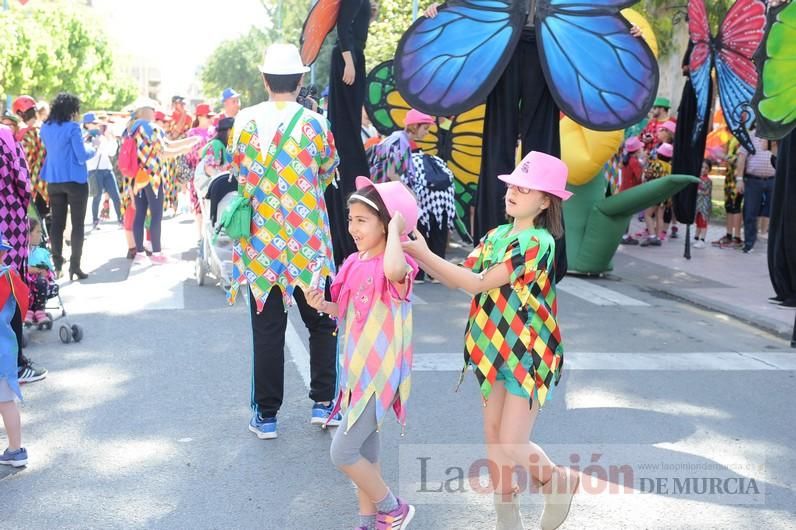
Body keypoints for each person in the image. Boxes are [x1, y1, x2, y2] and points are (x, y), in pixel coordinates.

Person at [402, 151, 578, 530]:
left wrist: (424, 252)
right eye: (512, 184)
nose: (513, 191)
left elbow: (480, 283)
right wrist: (416, 254)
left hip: (528, 351)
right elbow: (458, 278)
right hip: (490, 347)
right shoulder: (497, 235)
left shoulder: (537, 242)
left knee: (513, 442)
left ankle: (556, 481)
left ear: (545, 200)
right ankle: (506, 519)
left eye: (524, 187)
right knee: (495, 436)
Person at [228, 43, 340, 440]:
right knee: (322, 319)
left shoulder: (243, 121)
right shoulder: (316, 124)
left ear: (264, 79)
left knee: (268, 327)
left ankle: (267, 415)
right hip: (308, 238)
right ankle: (325, 403)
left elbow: (237, 173)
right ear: (300, 79)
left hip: (262, 240)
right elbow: (328, 171)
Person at [306, 177, 419, 530]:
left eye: (362, 220)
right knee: (367, 452)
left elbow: (395, 271)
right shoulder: (354, 261)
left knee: (342, 452)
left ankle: (393, 508)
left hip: (380, 376)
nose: (352, 227)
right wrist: (322, 304)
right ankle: (369, 521)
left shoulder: (395, 265)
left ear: (387, 223)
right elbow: (347, 309)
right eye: (350, 218)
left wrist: (397, 232)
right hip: (355, 373)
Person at [326, 0, 375, 266]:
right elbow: (342, 27)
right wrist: (349, 61)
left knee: (348, 129)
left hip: (352, 55)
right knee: (346, 131)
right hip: (349, 56)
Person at [126, 99, 199, 264]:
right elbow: (164, 151)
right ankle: (157, 253)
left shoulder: (132, 129)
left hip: (139, 178)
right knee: (156, 215)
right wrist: (186, 149)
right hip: (154, 178)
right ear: (148, 112)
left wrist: (188, 142)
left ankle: (140, 253)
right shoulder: (153, 128)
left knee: (140, 215)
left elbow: (167, 145)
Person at [0, 126, 46, 385]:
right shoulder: (5, 137)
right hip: (8, 222)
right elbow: (22, 182)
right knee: (11, 288)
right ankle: (16, 365)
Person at [39, 93, 96, 280]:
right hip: (75, 180)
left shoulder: (45, 128)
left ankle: (57, 265)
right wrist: (92, 148)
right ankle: (75, 267)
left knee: (57, 224)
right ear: (72, 110)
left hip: (53, 179)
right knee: (78, 225)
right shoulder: (73, 127)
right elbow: (81, 156)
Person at [0, 239, 30, 468]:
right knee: (7, 403)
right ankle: (15, 449)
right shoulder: (9, 277)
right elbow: (23, 303)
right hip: (5, 351)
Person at [737, 129, 775, 254]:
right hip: (753, 180)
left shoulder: (777, 133)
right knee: (750, 212)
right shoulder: (751, 135)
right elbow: (741, 157)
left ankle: (775, 244)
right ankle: (749, 244)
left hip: (773, 180)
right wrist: (739, 179)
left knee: (776, 212)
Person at [83, 113, 122, 228]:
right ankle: (95, 220)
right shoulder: (84, 138)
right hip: (94, 171)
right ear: (86, 124)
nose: (96, 126)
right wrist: (94, 144)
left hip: (107, 169)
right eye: (93, 123)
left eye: (97, 123)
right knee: (97, 196)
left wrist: (111, 140)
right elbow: (87, 155)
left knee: (116, 195)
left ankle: (121, 219)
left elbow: (111, 152)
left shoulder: (102, 136)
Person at [12, 96, 48, 221]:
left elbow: (22, 161)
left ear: (20, 114)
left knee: (33, 227)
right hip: (47, 185)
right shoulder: (45, 129)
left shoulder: (25, 134)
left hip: (30, 187)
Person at [711, 139, 744, 249]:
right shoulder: (732, 137)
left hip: (737, 177)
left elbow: (741, 160)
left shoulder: (744, 137)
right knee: (729, 206)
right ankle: (729, 235)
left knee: (736, 206)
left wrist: (724, 156)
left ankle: (737, 237)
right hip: (729, 176)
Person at [640, 142, 673, 247]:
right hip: (665, 195)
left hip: (655, 193)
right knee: (660, 217)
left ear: (659, 154)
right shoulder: (669, 167)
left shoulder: (656, 164)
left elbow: (648, 176)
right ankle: (658, 237)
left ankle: (652, 237)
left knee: (647, 214)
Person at [25, 219, 55, 325]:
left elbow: (49, 271)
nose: (40, 234)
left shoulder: (41, 252)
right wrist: (31, 269)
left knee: (41, 281)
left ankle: (39, 311)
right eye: (37, 231)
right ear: (28, 234)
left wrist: (43, 271)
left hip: (40, 283)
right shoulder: (20, 253)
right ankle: (28, 311)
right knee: (23, 283)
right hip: (25, 283)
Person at [619, 136, 644, 245]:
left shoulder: (626, 160)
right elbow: (639, 177)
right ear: (637, 151)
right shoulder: (634, 161)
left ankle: (623, 235)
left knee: (625, 215)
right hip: (631, 192)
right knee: (627, 215)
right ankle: (624, 236)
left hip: (624, 190)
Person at [693, 159, 713, 248]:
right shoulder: (697, 178)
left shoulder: (708, 180)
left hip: (704, 205)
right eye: (702, 167)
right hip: (697, 204)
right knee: (698, 221)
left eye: (706, 168)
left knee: (703, 222)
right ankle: (696, 237)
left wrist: (697, 191)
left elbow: (707, 192)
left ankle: (702, 239)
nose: (704, 169)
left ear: (709, 170)